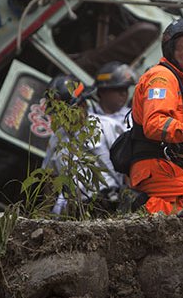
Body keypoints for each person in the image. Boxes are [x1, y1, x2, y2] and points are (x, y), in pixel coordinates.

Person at [128, 18, 183, 214]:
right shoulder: (162, 77)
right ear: (171, 50)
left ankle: (153, 206)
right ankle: (145, 206)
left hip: (168, 166)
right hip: (154, 166)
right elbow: (153, 125)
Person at [42, 74, 126, 215]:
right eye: (60, 112)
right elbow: (50, 180)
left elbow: (128, 168)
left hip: (113, 203)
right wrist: (45, 215)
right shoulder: (57, 139)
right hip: (78, 211)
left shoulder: (108, 127)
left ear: (83, 104)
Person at [92, 61, 137, 126]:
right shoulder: (87, 117)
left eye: (126, 89)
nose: (124, 94)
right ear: (102, 91)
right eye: (118, 89)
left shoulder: (133, 118)